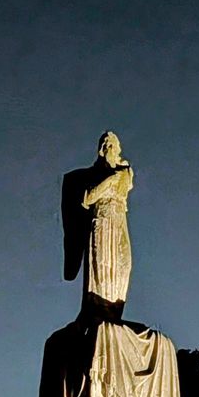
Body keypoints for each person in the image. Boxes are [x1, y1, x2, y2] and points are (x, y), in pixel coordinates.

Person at [61, 131, 134, 322]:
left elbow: (125, 188)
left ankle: (115, 310)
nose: (109, 148)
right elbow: (89, 198)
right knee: (103, 262)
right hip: (102, 219)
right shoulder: (90, 175)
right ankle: (99, 311)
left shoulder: (126, 171)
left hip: (119, 219)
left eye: (112, 144)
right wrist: (111, 180)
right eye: (105, 144)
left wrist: (120, 176)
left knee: (123, 263)